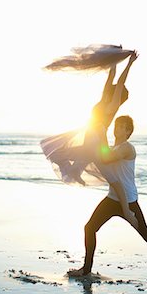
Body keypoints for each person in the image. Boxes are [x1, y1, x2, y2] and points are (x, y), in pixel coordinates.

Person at [68, 115, 147, 287]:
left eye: (122, 126)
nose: (117, 128)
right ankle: (86, 270)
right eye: (116, 125)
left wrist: (101, 134)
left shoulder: (127, 148)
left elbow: (106, 157)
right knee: (90, 228)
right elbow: (102, 155)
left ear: (128, 131)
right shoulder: (114, 147)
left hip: (129, 201)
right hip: (112, 198)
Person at [41, 51, 139, 228]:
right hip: (89, 137)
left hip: (96, 142)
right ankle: (76, 172)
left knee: (115, 182)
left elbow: (120, 83)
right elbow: (111, 78)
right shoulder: (103, 100)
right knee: (56, 153)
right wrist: (114, 60)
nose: (114, 89)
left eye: (118, 91)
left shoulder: (113, 106)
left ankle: (127, 211)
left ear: (120, 97)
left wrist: (130, 64)